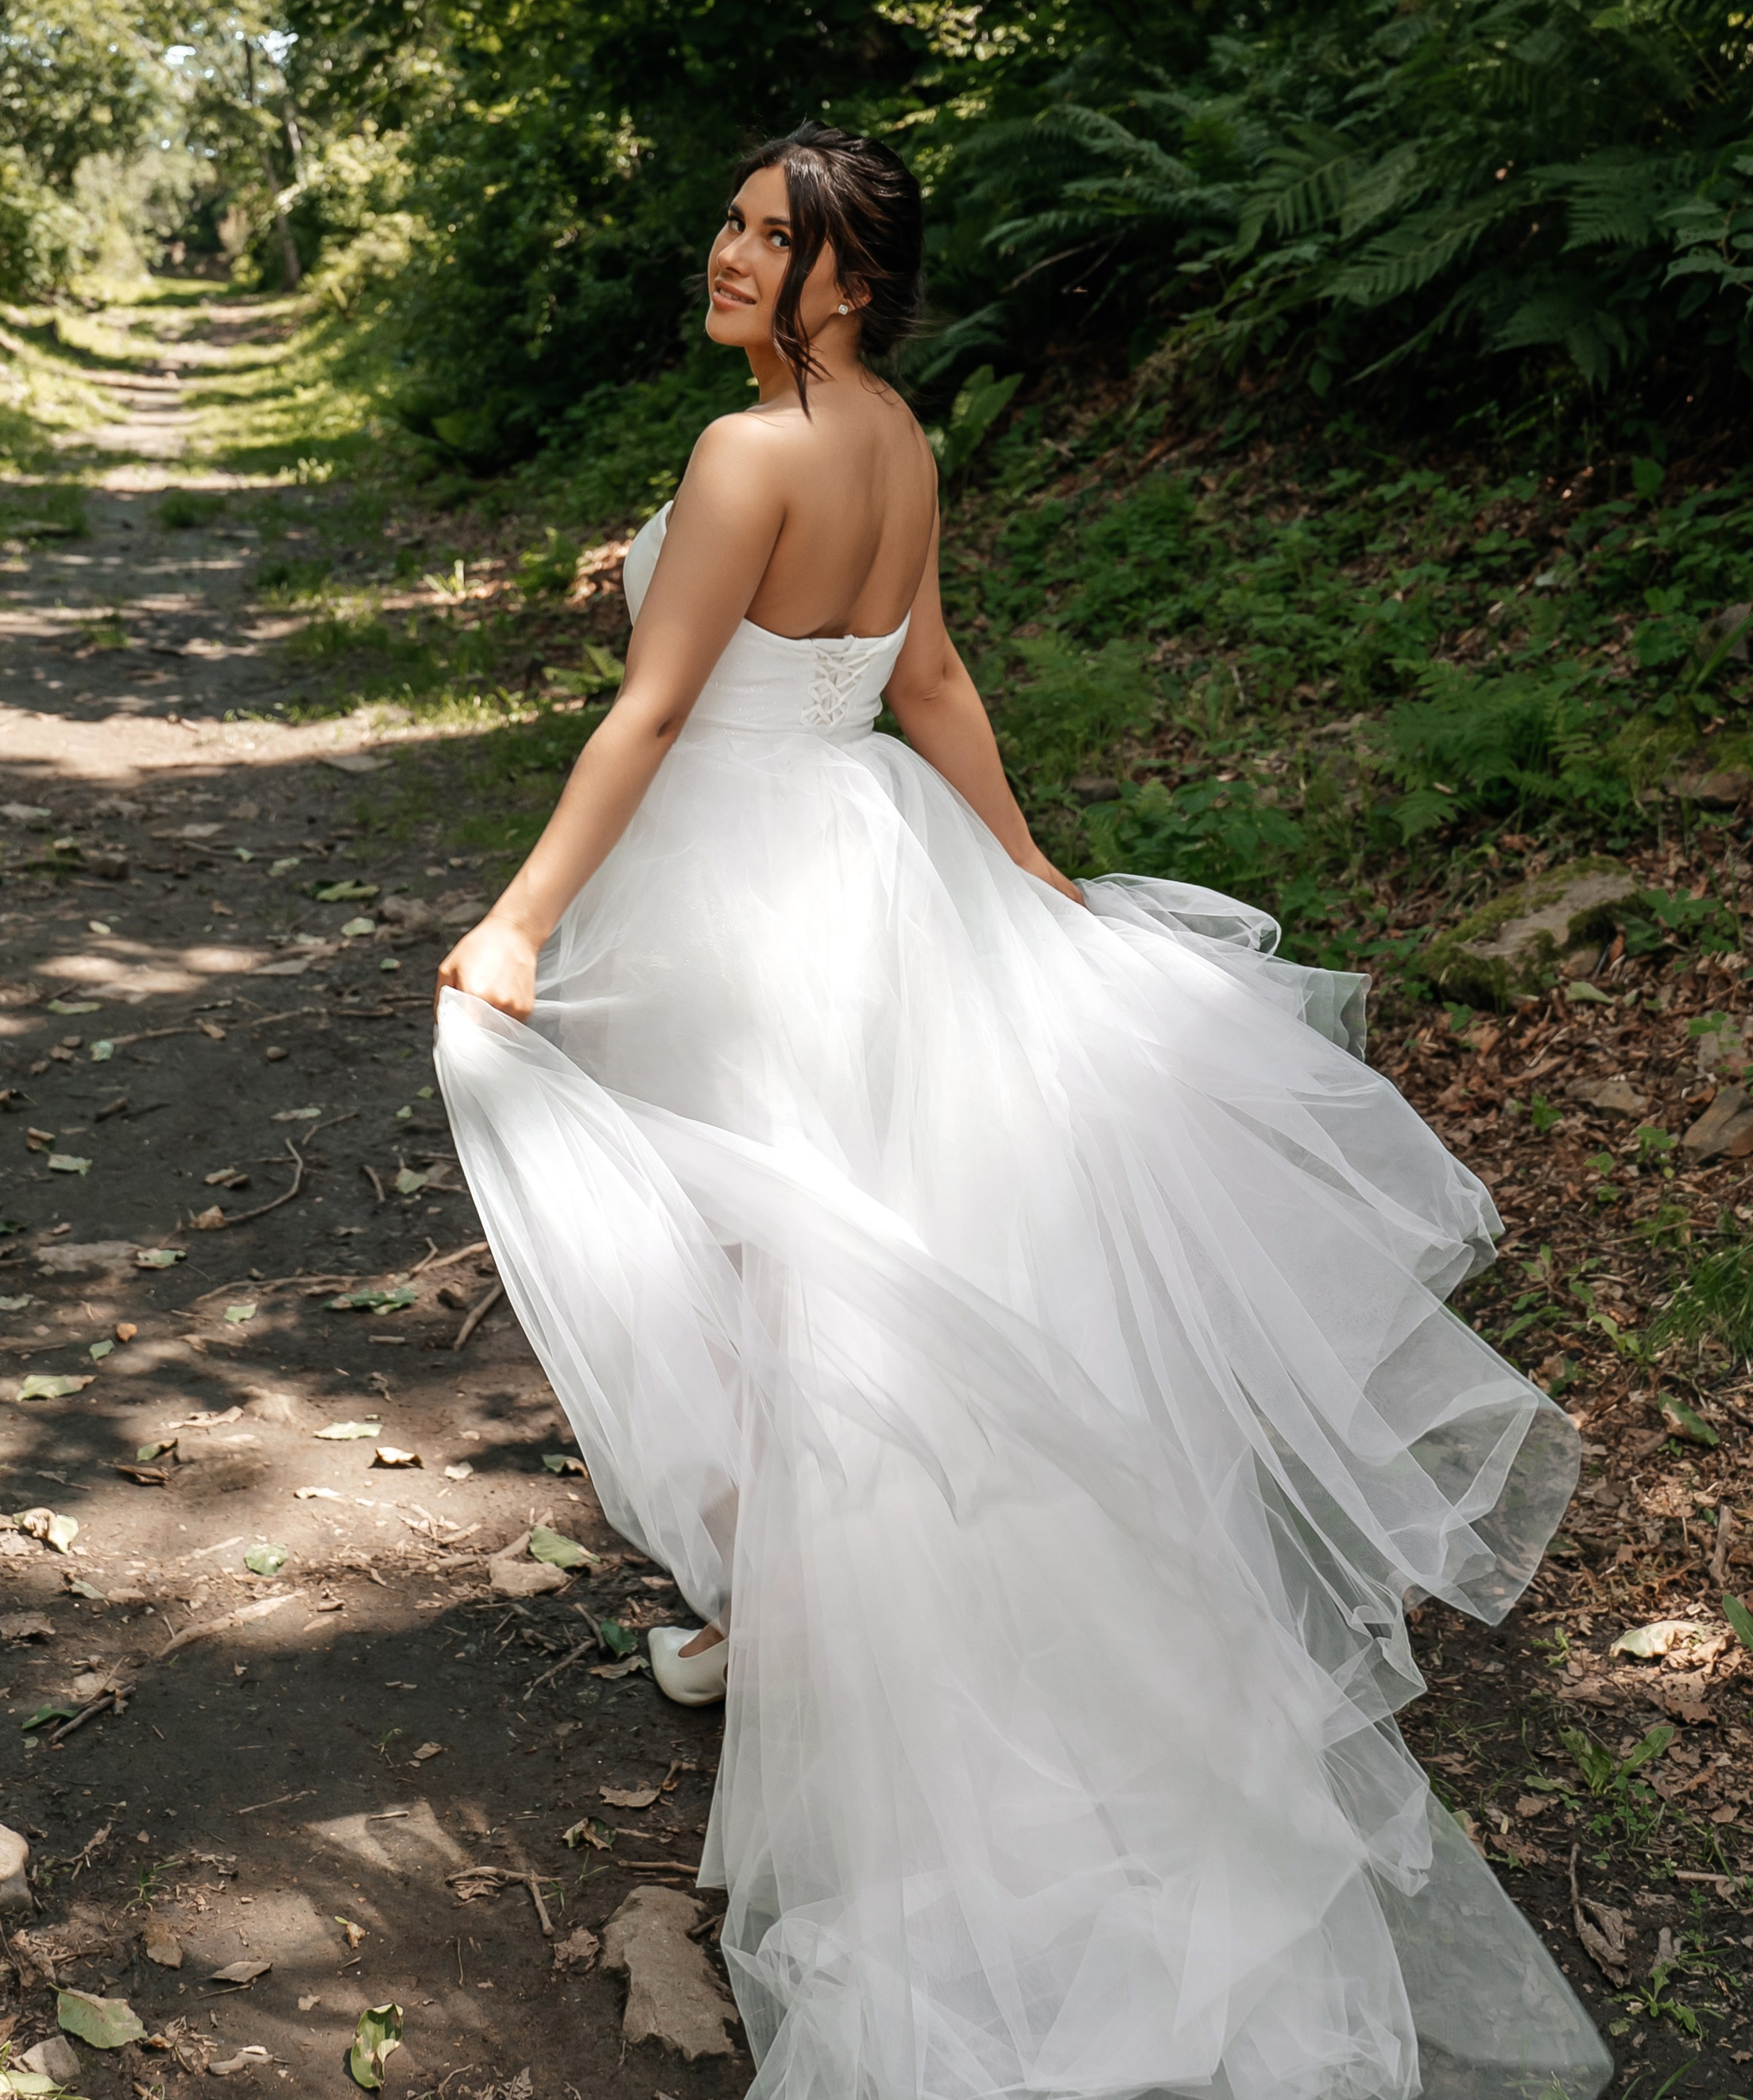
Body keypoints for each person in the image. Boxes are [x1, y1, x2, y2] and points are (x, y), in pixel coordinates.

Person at [435, 124, 1609, 2100]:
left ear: (851, 281)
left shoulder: (748, 454)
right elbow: (930, 681)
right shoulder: (895, 436)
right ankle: (783, 1618)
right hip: (877, 873)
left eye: (773, 241)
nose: (730, 255)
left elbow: (649, 712)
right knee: (864, 1241)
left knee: (788, 1257)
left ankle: (847, 1657)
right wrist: (1021, 870)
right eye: (728, 224)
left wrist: (519, 917)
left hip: (749, 892)